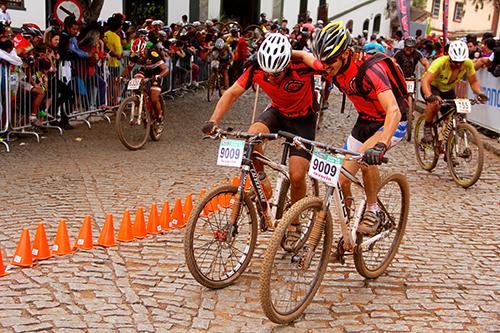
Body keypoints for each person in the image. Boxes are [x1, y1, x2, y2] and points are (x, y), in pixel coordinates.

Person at [202, 33, 321, 245]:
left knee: (296, 175)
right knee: (252, 136)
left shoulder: (300, 66)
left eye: (277, 73)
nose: (271, 77)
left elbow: (322, 65)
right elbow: (231, 93)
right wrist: (213, 121)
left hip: (304, 119)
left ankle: (295, 223)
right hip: (277, 112)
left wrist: (301, 53)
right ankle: (263, 182)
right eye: (268, 73)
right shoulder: (255, 69)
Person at [299, 21, 409, 235]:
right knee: (340, 179)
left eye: (330, 61)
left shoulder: (370, 69)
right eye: (323, 61)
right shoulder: (330, 65)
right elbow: (304, 59)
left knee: (364, 159)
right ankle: (348, 222)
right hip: (366, 120)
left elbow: (393, 110)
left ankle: (373, 210)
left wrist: (381, 144)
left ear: (345, 53)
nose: (326, 66)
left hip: (392, 121)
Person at [119, 38, 169, 124]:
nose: (139, 56)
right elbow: (128, 68)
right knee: (136, 79)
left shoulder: (153, 54)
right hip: (144, 71)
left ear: (145, 49)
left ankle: (159, 116)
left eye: (140, 54)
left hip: (156, 73)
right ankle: (139, 101)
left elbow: (165, 69)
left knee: (154, 98)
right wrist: (121, 77)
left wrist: (159, 76)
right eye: (137, 54)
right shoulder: (134, 55)